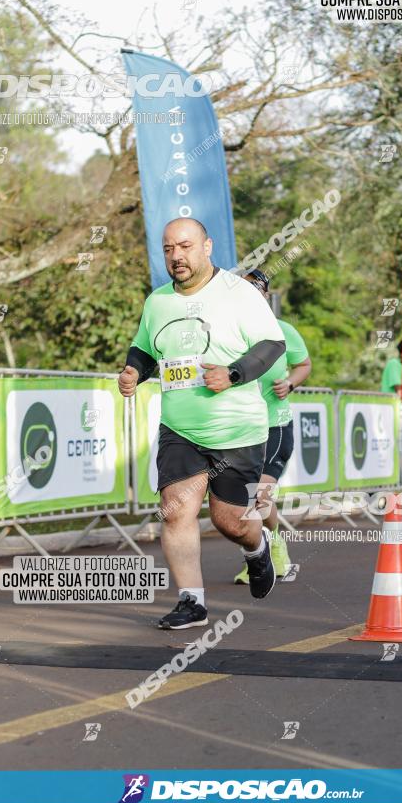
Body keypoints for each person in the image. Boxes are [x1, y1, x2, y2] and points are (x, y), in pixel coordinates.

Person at [118, 218, 286, 629]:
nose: (177, 255)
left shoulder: (240, 293)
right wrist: (132, 371)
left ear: (207, 247)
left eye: (185, 246)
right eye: (169, 248)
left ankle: (257, 545)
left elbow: (272, 344)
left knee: (231, 521)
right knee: (175, 512)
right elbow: (144, 347)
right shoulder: (157, 301)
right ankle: (191, 602)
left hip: (236, 430)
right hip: (180, 428)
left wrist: (233, 374)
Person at [233, 269, 312, 584]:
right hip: (240, 430)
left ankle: (273, 547)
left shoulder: (282, 331)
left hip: (276, 427)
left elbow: (304, 364)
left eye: (256, 292)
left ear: (266, 296)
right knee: (242, 502)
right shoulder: (230, 334)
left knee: (259, 496)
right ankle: (259, 553)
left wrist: (290, 383)